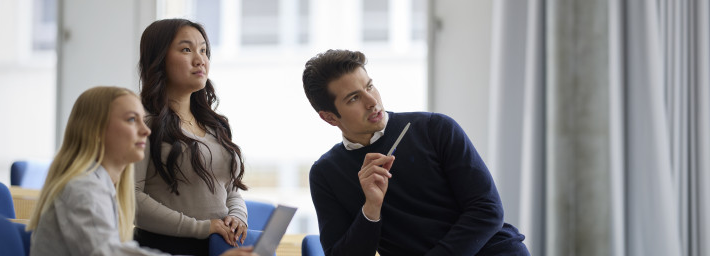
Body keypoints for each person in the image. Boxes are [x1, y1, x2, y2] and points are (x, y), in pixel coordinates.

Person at [302, 49, 529, 255]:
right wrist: (371, 208)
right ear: (329, 117)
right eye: (354, 98)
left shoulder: (435, 128)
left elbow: (487, 211)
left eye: (369, 86)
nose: (372, 102)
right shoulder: (326, 174)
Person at [27, 86, 256, 256]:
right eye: (131, 120)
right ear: (95, 131)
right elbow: (109, 253)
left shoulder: (100, 184)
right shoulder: (83, 188)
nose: (145, 131)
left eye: (142, 120)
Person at [134, 19, 249, 256]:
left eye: (204, 50)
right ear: (159, 59)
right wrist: (201, 228)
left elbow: (229, 190)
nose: (200, 60)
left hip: (219, 247)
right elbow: (130, 198)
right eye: (186, 49)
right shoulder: (142, 122)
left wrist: (238, 216)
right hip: (165, 249)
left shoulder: (216, 125)